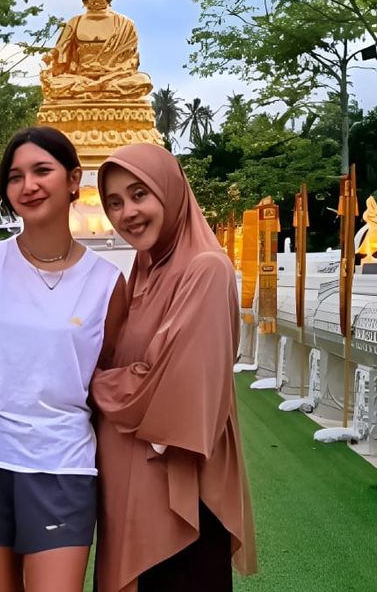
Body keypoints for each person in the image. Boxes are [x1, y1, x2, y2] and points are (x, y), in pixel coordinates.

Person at [0, 126, 126, 592]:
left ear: (73, 180)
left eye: (41, 171)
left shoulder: (107, 283)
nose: (28, 185)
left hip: (63, 466)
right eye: (15, 177)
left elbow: (105, 377)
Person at [93, 143, 257, 592]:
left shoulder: (205, 269)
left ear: (170, 191)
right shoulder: (144, 270)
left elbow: (173, 393)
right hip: (131, 487)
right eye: (114, 202)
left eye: (139, 194)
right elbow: (134, 365)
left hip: (180, 493)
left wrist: (93, 384)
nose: (127, 213)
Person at [40, 0, 153, 101]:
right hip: (80, 78)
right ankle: (96, 89)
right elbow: (59, 55)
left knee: (142, 81)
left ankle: (93, 90)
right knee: (56, 83)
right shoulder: (75, 22)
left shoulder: (125, 24)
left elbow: (131, 62)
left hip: (113, 78)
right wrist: (51, 57)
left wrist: (108, 73)